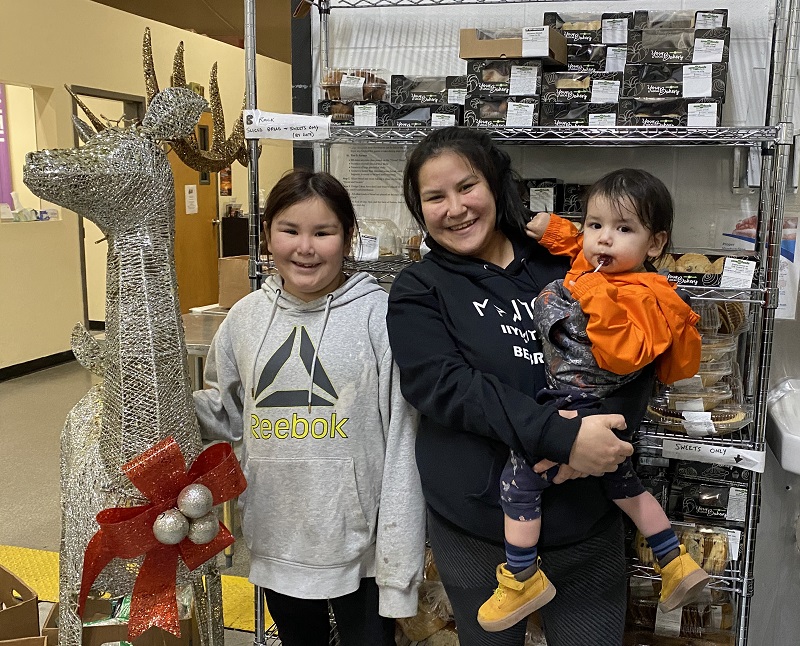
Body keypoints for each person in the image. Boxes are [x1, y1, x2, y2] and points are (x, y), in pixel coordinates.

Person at [386, 126, 656, 646]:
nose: (456, 208)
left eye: (467, 187)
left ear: (495, 186)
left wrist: (604, 433)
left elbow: (637, 351)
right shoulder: (419, 287)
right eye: (434, 197)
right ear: (420, 211)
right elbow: (445, 386)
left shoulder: (568, 264)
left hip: (584, 517)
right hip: (478, 525)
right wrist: (562, 437)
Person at [194, 169, 425, 646]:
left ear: (347, 238)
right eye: (290, 230)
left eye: (323, 232)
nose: (305, 247)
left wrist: (400, 560)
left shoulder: (378, 317)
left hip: (358, 549)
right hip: (277, 538)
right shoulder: (245, 318)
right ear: (267, 236)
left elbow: (404, 441)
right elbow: (224, 416)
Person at [477, 169, 708, 633]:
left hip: (584, 404)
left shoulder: (649, 295)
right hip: (590, 407)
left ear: (656, 244)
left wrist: (586, 295)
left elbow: (624, 356)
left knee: (519, 482)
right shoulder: (612, 270)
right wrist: (558, 231)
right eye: (595, 225)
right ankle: (675, 562)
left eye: (624, 229)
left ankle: (522, 578)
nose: (604, 239)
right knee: (625, 488)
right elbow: (582, 253)